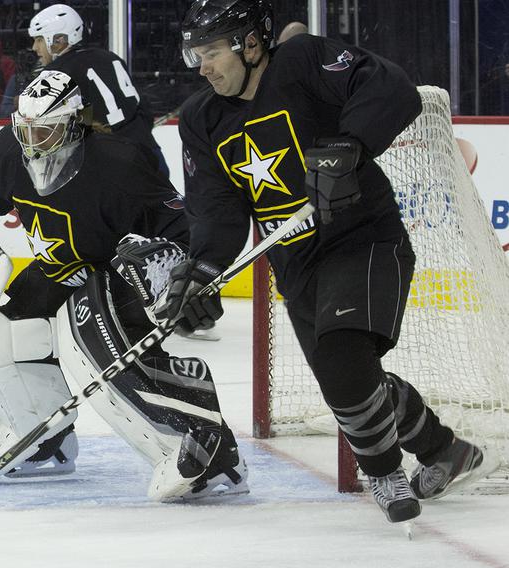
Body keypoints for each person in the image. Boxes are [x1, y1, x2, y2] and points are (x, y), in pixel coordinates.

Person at [161, 0, 489, 524]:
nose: (202, 66)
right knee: (351, 380)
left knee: (342, 359)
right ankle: (444, 450)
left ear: (250, 43)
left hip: (365, 239)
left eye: (212, 52)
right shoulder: (202, 119)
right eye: (195, 54)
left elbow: (389, 87)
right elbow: (217, 207)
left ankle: (382, 472)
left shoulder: (303, 61)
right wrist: (204, 270)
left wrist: (348, 144)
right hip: (297, 265)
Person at [0, 70, 249, 502]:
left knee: (87, 339)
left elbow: (181, 231)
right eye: (27, 130)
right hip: (58, 270)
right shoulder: (8, 152)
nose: (33, 142)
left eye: (47, 131)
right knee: (5, 324)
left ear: (74, 123)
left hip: (116, 279)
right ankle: (42, 441)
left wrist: (179, 279)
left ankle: (207, 449)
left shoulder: (119, 164)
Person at [27, 3, 170, 177]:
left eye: (39, 39)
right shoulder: (110, 57)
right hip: (150, 154)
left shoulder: (56, 74)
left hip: (109, 164)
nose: (35, 47)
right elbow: (144, 108)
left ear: (58, 39)